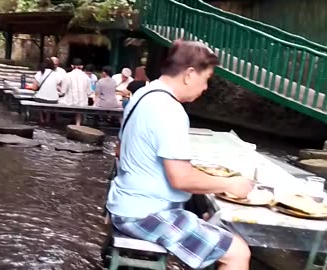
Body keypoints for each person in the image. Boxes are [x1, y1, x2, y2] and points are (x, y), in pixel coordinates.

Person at [106, 40, 252, 270]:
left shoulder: (142, 95)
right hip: (144, 214)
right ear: (190, 74)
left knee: (206, 217)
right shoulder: (169, 109)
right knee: (238, 252)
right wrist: (230, 184)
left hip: (123, 204)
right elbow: (181, 179)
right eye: (206, 80)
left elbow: (119, 149)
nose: (205, 88)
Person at [59, 58, 91, 125]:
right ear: (82, 66)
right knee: (81, 101)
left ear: (72, 66)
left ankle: (55, 120)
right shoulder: (87, 77)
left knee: (57, 100)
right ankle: (78, 123)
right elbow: (89, 93)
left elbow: (63, 92)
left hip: (70, 102)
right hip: (83, 103)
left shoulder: (67, 76)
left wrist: (58, 88)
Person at [32, 58, 62, 123]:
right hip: (54, 100)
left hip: (40, 99)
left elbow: (34, 88)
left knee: (39, 100)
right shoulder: (57, 74)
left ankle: (42, 119)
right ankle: (47, 119)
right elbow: (59, 85)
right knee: (49, 102)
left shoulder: (40, 73)